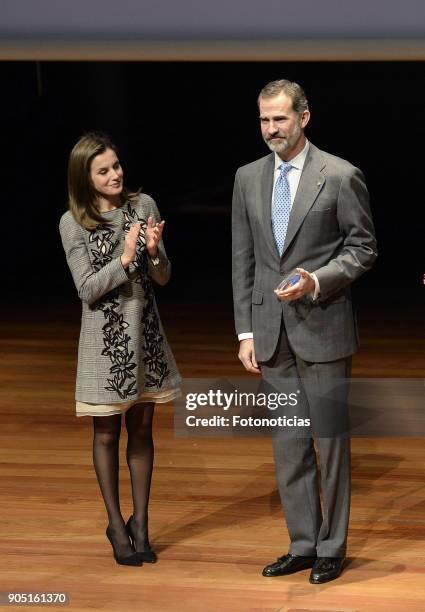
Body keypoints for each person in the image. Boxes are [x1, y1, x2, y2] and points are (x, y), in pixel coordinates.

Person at [232, 80, 377, 584]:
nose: (271, 130)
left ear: (304, 118)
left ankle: (333, 546)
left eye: (280, 120)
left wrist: (317, 280)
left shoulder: (339, 175)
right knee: (289, 443)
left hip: (324, 327)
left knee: (330, 442)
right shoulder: (247, 177)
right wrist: (245, 331)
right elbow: (243, 259)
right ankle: (303, 543)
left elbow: (362, 248)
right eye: (264, 120)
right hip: (270, 333)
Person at [59, 132, 181, 566]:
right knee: (107, 434)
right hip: (104, 346)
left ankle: (142, 523)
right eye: (104, 170)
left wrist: (151, 253)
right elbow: (87, 289)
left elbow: (163, 276)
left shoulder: (143, 206)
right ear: (85, 178)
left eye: (116, 165)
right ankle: (115, 524)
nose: (115, 174)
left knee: (143, 432)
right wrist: (126, 257)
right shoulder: (73, 223)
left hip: (145, 336)